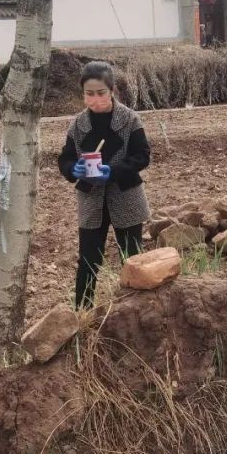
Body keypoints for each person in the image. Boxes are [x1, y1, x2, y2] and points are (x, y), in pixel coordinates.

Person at [57, 61, 151, 308]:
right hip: (91, 198)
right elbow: (65, 157)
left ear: (112, 90)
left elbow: (142, 156)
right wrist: (72, 169)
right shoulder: (78, 125)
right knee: (88, 260)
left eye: (100, 93)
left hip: (126, 195)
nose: (95, 98)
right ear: (83, 94)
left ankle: (136, 309)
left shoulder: (129, 120)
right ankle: (82, 313)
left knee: (132, 258)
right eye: (89, 93)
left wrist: (113, 171)